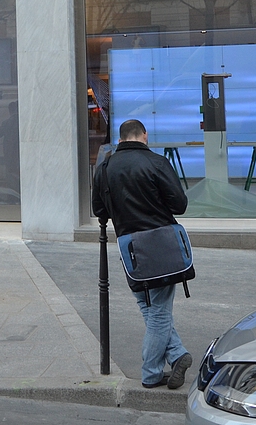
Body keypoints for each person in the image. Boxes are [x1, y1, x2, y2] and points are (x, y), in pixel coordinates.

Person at [91, 119, 191, 390]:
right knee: (158, 312)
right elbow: (179, 205)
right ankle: (151, 373)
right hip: (162, 246)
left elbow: (99, 211)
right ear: (144, 135)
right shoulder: (157, 163)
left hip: (130, 248)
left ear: (121, 139)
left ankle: (178, 355)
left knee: (148, 308)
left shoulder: (105, 168)